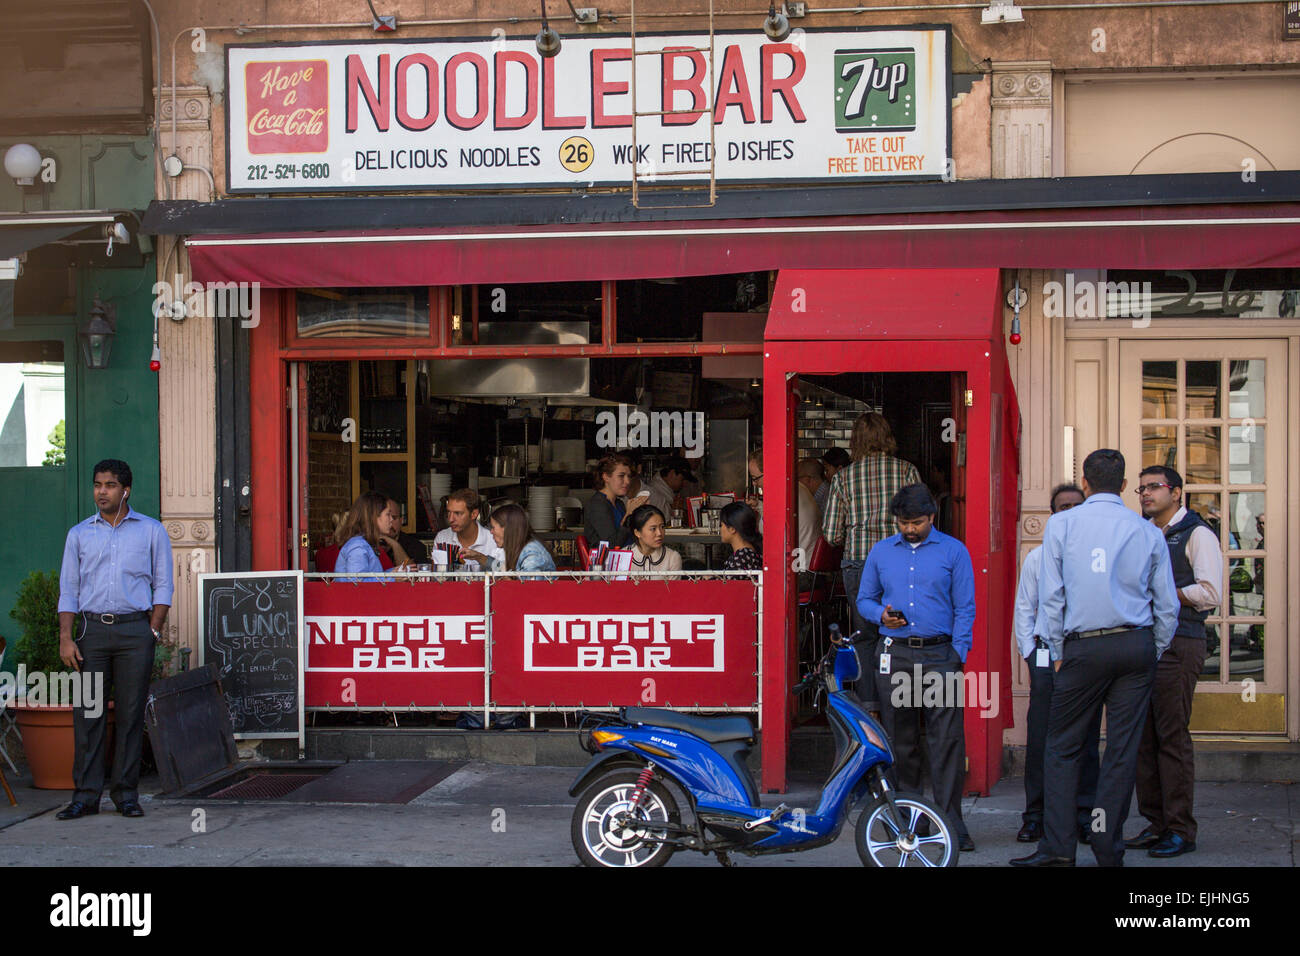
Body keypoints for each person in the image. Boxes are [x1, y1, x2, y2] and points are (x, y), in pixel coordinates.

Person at [1011, 448, 1180, 868]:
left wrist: (1057, 650)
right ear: (1124, 486)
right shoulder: (1146, 531)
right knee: (1121, 752)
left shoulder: (1063, 524)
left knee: (1062, 748)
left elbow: (1052, 597)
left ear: (1084, 484)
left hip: (1083, 645)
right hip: (1135, 645)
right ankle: (1107, 845)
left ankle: (1058, 848)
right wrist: (1153, 648)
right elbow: (1167, 604)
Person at [857, 483, 977, 852]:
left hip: (941, 656)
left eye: (917, 522)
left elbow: (965, 607)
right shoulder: (881, 551)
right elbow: (864, 599)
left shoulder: (954, 551)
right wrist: (881, 616)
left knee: (946, 741)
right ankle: (911, 818)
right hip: (897, 654)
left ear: (932, 517)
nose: (910, 529)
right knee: (902, 740)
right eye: (904, 523)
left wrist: (958, 653)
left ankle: (949, 821)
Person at [55, 459, 173, 820]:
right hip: (91, 633)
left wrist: (152, 629)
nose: (101, 492)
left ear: (126, 490)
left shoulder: (151, 531)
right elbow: (69, 590)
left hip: (135, 633)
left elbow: (163, 584)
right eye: (97, 485)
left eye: (108, 485)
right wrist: (66, 637)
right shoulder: (79, 534)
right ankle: (86, 797)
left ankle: (126, 795)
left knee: (130, 715)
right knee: (88, 714)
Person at [1127, 465, 1222, 858]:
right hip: (1145, 643)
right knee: (1144, 740)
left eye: (1155, 487)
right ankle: (1156, 822)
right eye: (1141, 488)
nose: (1146, 494)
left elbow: (1210, 592)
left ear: (1177, 492)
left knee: (1171, 737)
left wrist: (1166, 593)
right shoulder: (1144, 533)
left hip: (1181, 642)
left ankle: (1181, 828)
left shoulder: (1197, 533)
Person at [1014, 482, 1099, 845]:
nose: (1068, 512)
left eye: (1074, 506)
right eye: (1061, 507)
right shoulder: (1037, 557)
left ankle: (1084, 815)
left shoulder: (1097, 556)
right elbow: (1024, 607)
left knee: (1087, 739)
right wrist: (1030, 654)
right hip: (1046, 657)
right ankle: (1036, 815)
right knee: (1040, 739)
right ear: (1052, 513)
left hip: (1084, 657)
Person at [822, 412, 921, 686]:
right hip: (899, 562)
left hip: (858, 562)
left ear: (855, 441)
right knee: (898, 631)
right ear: (887, 437)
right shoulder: (906, 471)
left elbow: (831, 534)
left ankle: (870, 704)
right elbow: (922, 522)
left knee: (864, 635)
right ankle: (897, 698)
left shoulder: (844, 478)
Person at [467, 503, 556, 574]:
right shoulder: (523, 548)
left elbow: (529, 591)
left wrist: (507, 579)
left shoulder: (532, 555)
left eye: (493, 527)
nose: (491, 532)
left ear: (507, 529)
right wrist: (479, 557)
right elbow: (505, 570)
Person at [584, 454, 646, 548]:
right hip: (608, 562)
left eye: (628, 476)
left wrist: (642, 513)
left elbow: (631, 536)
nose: (628, 481)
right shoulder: (597, 504)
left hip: (629, 558)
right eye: (621, 476)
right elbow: (612, 545)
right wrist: (629, 515)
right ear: (606, 477)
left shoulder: (619, 503)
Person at [434, 489, 501, 571]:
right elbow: (438, 576)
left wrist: (480, 557)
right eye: (448, 512)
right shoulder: (442, 538)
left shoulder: (494, 540)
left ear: (474, 514)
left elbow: (506, 574)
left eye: (457, 513)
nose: (450, 519)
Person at [334, 491, 390, 581]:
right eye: (388, 514)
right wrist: (393, 578)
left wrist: (394, 573)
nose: (391, 519)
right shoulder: (358, 547)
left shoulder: (363, 544)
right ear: (374, 516)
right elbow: (358, 585)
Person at [627, 504, 684, 575]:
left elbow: (672, 586)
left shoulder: (672, 558)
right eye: (653, 529)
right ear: (637, 533)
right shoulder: (622, 557)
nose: (659, 533)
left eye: (662, 527)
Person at [379, 495, 429, 567]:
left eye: (394, 517)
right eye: (386, 516)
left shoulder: (416, 547)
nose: (390, 521)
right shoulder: (369, 544)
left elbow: (412, 576)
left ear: (401, 520)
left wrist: (394, 544)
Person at [718, 501, 762, 571]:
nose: (720, 529)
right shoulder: (747, 552)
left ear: (732, 529)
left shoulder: (741, 558)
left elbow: (730, 581)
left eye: (721, 525)